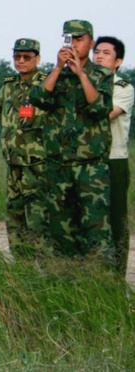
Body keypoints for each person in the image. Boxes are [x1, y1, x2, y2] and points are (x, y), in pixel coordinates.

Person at [29, 20, 113, 259]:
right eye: (69, 39)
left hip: (91, 167)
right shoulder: (56, 75)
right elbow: (38, 99)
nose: (74, 44)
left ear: (91, 42)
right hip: (59, 165)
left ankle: (102, 285)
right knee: (61, 232)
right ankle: (67, 283)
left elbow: (99, 108)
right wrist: (57, 68)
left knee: (96, 231)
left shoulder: (102, 74)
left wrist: (81, 74)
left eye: (79, 39)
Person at [0, 38, 49, 246]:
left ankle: (43, 264)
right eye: (17, 56)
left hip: (37, 164)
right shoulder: (8, 86)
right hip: (13, 161)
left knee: (38, 217)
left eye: (27, 57)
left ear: (37, 58)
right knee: (14, 216)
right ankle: (20, 264)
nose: (21, 61)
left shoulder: (45, 83)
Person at [93, 35, 131, 271]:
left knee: (116, 219)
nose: (99, 56)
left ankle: (118, 274)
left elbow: (104, 115)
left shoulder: (122, 87)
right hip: (89, 160)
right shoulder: (84, 83)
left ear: (118, 61)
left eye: (106, 53)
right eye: (97, 51)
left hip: (113, 159)